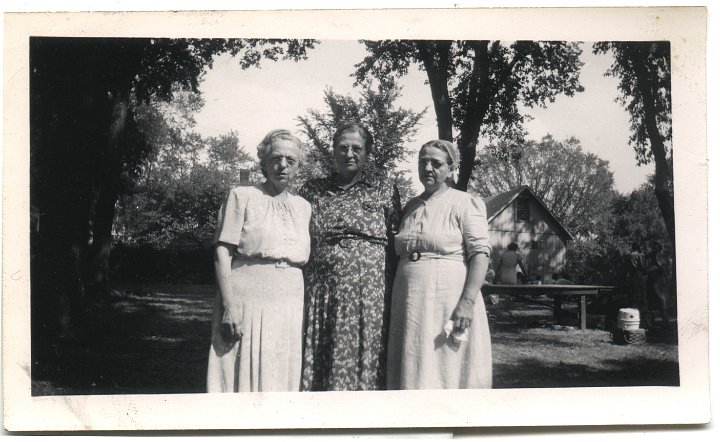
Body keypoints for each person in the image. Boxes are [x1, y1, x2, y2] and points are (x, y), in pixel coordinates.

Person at [207, 129, 311, 392]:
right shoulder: (242, 196)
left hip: (289, 297)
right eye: (276, 158)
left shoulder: (303, 207)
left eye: (291, 160)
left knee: (278, 368)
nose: (283, 165)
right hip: (248, 294)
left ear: (299, 167)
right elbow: (222, 252)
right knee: (241, 367)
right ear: (263, 162)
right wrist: (229, 307)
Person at [300, 123, 401, 391]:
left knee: (367, 346)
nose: (349, 154)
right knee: (325, 341)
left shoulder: (383, 188)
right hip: (324, 289)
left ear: (367, 153)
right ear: (333, 151)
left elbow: (396, 238)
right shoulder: (313, 190)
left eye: (357, 148)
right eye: (342, 148)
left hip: (370, 292)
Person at [387, 139, 492, 390]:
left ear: (450, 169)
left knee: (446, 360)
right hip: (410, 298)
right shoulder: (411, 206)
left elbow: (480, 254)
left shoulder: (465, 203)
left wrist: (467, 302)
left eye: (436, 163)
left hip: (447, 297)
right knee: (414, 358)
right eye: (424, 162)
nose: (429, 168)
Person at [645, 241, 671, 328]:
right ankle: (652, 320)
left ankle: (664, 321)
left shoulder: (659, 257)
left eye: (655, 248)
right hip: (653, 281)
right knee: (652, 301)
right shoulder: (653, 256)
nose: (653, 249)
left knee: (661, 300)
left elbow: (660, 267)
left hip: (656, 282)